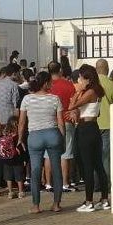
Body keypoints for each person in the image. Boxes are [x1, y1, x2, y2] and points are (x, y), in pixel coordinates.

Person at [17, 71, 65, 213]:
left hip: (35, 137)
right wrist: (62, 138)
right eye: (50, 82)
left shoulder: (27, 99)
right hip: (53, 134)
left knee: (36, 170)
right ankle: (56, 204)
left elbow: (21, 122)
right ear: (45, 84)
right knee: (56, 170)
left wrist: (20, 138)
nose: (52, 84)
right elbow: (61, 122)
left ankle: (36, 205)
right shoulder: (55, 99)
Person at [72, 65, 110, 212]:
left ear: (87, 78)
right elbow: (97, 113)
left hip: (86, 129)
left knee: (87, 164)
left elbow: (72, 105)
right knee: (98, 164)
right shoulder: (98, 91)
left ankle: (89, 201)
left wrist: (79, 91)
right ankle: (104, 198)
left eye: (81, 77)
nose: (79, 80)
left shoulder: (90, 92)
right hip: (93, 127)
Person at [47, 62, 76, 192]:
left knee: (48, 154)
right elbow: (73, 103)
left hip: (49, 122)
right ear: (60, 70)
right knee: (65, 153)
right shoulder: (68, 85)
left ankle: (48, 183)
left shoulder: (46, 86)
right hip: (66, 120)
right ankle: (65, 182)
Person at [94, 59, 113, 181]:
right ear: (107, 69)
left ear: (96, 68)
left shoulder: (91, 83)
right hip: (108, 123)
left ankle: (96, 183)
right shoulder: (111, 84)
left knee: (93, 155)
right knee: (105, 156)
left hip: (93, 123)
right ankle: (106, 182)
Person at [0, 121, 26, 199]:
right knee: (19, 177)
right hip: (17, 161)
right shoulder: (17, 138)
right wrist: (24, 160)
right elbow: (22, 150)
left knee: (8, 177)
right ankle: (21, 192)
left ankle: (10, 192)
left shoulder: (3, 137)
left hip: (6, 160)